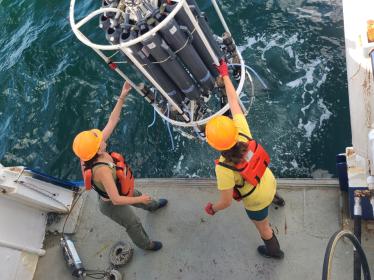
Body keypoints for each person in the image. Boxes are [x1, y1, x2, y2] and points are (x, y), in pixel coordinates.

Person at [72, 82, 167, 251]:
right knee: (133, 222)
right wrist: (139, 199)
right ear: (97, 148)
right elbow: (116, 200)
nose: (102, 138)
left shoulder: (92, 152)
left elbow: (113, 120)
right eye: (99, 140)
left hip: (119, 188)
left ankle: (153, 205)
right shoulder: (102, 171)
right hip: (110, 204)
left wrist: (122, 96)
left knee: (139, 196)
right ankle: (147, 245)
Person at [204, 60, 284, 259]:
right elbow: (234, 102)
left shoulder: (223, 168)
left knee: (264, 229)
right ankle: (279, 201)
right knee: (267, 189)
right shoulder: (242, 134)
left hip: (256, 201)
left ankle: (275, 252)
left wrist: (212, 208)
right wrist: (225, 75)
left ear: (215, 145)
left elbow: (226, 202)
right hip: (269, 181)